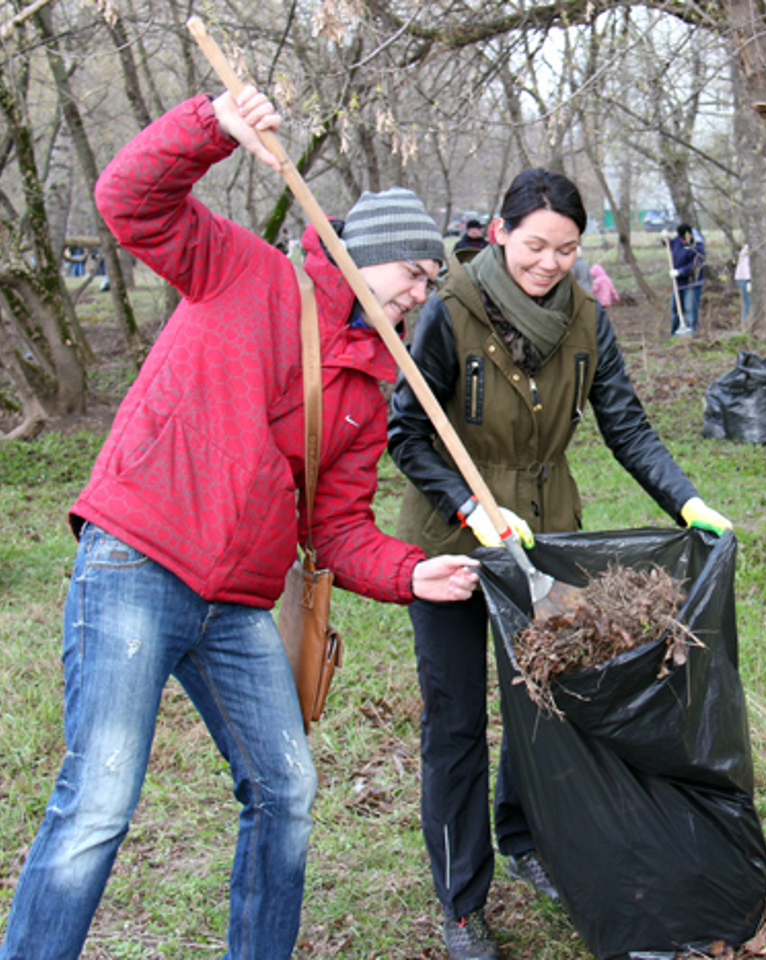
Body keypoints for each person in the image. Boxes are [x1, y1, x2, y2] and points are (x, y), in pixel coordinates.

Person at [0, 87, 482, 960]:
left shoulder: (365, 396)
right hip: (137, 564)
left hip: (235, 606)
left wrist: (412, 573)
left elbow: (335, 533)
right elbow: (128, 203)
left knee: (286, 789)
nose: (423, 292)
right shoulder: (244, 268)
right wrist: (208, 127)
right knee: (101, 801)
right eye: (414, 273)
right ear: (366, 257)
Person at [386, 167, 732, 960]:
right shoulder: (449, 310)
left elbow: (626, 424)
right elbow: (407, 433)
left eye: (567, 249)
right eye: (535, 245)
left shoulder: (585, 315)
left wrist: (686, 502)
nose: (549, 262)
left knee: (543, 710)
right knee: (456, 726)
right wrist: (471, 508)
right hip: (453, 544)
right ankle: (463, 901)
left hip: (548, 541)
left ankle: (525, 840)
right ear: (500, 233)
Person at [664, 222, 705, 335]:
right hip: (677, 283)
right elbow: (670, 245)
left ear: (690, 235)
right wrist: (665, 239)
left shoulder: (698, 246)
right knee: (675, 310)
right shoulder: (678, 240)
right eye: (682, 239)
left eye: (686, 238)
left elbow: (696, 265)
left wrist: (680, 272)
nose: (684, 241)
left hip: (692, 283)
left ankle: (690, 333)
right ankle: (675, 333)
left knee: (690, 309)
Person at [735, 243, 751, 318]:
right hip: (745, 279)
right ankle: (745, 324)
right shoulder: (748, 250)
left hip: (744, 279)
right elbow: (746, 269)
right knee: (748, 304)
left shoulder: (746, 249)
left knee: (747, 304)